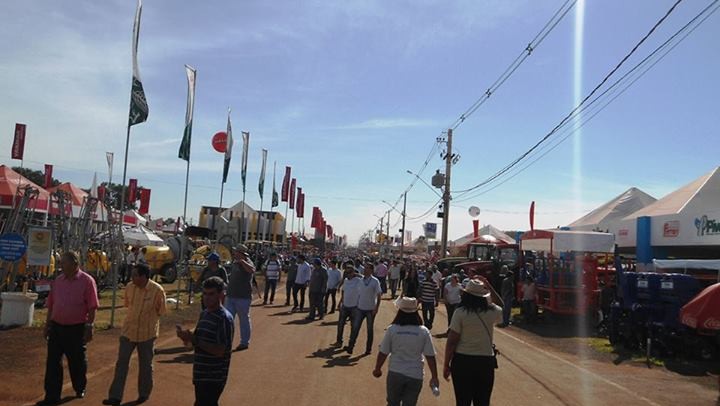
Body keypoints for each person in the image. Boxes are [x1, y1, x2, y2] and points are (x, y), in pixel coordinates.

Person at [37, 252, 99, 406]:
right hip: (57, 327)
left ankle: (79, 386)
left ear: (74, 264)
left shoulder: (87, 281)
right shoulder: (58, 281)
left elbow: (92, 306)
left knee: (76, 361)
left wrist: (89, 326)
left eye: (64, 263)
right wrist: (47, 325)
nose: (61, 266)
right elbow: (51, 305)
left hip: (76, 328)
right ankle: (52, 396)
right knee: (53, 362)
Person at [103, 264, 166, 406]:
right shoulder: (130, 287)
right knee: (121, 364)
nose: (132, 278)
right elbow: (128, 305)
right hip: (128, 332)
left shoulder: (157, 290)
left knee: (145, 365)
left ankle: (144, 394)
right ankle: (115, 397)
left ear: (144, 276)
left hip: (147, 334)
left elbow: (161, 311)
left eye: (135, 275)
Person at [443, 278, 503, 406]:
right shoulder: (492, 311)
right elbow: (501, 305)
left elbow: (452, 341)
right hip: (485, 362)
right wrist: (488, 286)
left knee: (462, 401)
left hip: (462, 361)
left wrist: (446, 364)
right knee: (483, 401)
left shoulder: (460, 312)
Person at [177, 277, 234, 406]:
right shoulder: (204, 314)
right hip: (200, 374)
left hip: (213, 377)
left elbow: (220, 351)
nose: (207, 298)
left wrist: (195, 340)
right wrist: (186, 338)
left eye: (211, 294)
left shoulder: (224, 318)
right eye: (205, 294)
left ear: (221, 295)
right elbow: (193, 344)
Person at [373, 297, 440, 406]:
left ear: (400, 311)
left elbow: (383, 352)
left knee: (392, 403)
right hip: (415, 375)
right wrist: (434, 376)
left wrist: (377, 369)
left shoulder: (392, 329)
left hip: (395, 372)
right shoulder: (423, 331)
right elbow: (430, 356)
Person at [346, 264, 382, 355]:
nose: (365, 270)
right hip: (360, 308)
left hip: (370, 309)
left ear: (371, 270)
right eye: (365, 268)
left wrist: (376, 308)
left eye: (367, 268)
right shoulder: (361, 280)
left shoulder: (375, 281)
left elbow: (379, 295)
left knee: (369, 330)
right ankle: (350, 346)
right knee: (355, 328)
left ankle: (368, 349)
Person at [225, 244, 255, 351]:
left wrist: (242, 262)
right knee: (227, 320)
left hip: (243, 297)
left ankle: (244, 342)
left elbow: (251, 270)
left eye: (236, 252)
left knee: (244, 320)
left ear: (241, 253)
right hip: (231, 295)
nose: (234, 254)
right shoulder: (234, 262)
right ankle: (226, 342)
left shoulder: (248, 261)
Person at [334, 264, 361, 347]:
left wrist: (356, 274)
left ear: (353, 272)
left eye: (349, 272)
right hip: (345, 306)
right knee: (340, 325)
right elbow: (343, 292)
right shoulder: (346, 281)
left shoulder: (358, 280)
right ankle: (339, 341)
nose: (347, 274)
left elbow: (366, 278)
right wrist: (340, 303)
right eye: (346, 272)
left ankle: (351, 344)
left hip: (355, 307)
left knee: (354, 327)